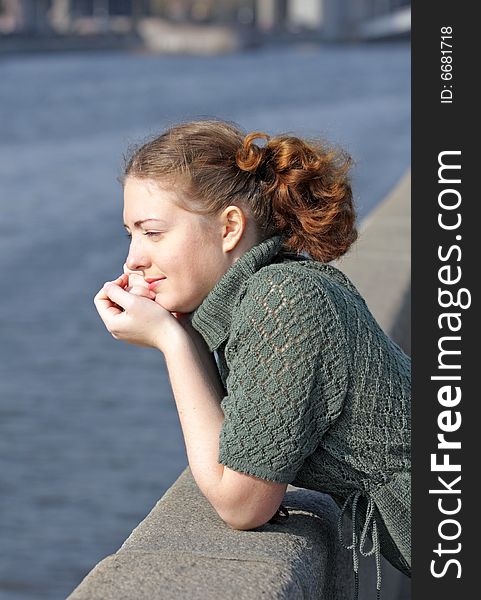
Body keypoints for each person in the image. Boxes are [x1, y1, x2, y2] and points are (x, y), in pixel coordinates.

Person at [94, 119, 411, 599]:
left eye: (153, 233)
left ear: (230, 227)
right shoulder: (266, 292)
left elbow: (242, 503)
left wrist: (171, 342)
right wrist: (179, 328)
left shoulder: (282, 300)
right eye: (130, 235)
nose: (133, 259)